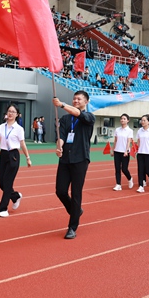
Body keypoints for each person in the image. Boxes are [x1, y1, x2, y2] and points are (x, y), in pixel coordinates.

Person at [53, 91, 95, 239]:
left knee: (76, 193)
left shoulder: (89, 117)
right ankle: (75, 210)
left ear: (86, 102)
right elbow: (62, 136)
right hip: (65, 159)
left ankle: (72, 227)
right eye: (74, 98)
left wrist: (62, 104)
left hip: (80, 159)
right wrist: (59, 147)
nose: (76, 100)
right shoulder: (65, 119)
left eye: (79, 99)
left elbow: (79, 114)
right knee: (60, 191)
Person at [0, 104, 31, 217]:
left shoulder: (19, 129)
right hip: (3, 154)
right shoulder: (2, 126)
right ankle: (15, 196)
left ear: (17, 115)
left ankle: (2, 208)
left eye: (13, 112)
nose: (10, 113)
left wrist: (28, 157)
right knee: (1, 183)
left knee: (8, 183)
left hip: (14, 155)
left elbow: (22, 144)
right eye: (9, 111)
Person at [111, 114, 135, 191]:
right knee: (117, 168)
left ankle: (130, 178)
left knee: (124, 169)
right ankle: (118, 184)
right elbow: (115, 140)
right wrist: (113, 149)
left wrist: (126, 151)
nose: (122, 120)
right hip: (117, 151)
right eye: (121, 118)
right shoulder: (117, 130)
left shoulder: (130, 131)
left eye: (124, 119)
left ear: (128, 120)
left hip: (125, 152)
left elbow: (129, 142)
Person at [135, 114, 149, 193]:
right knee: (140, 170)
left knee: (148, 170)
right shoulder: (139, 130)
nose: (142, 122)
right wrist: (137, 150)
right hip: (141, 153)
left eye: (144, 120)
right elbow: (138, 141)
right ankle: (141, 186)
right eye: (142, 120)